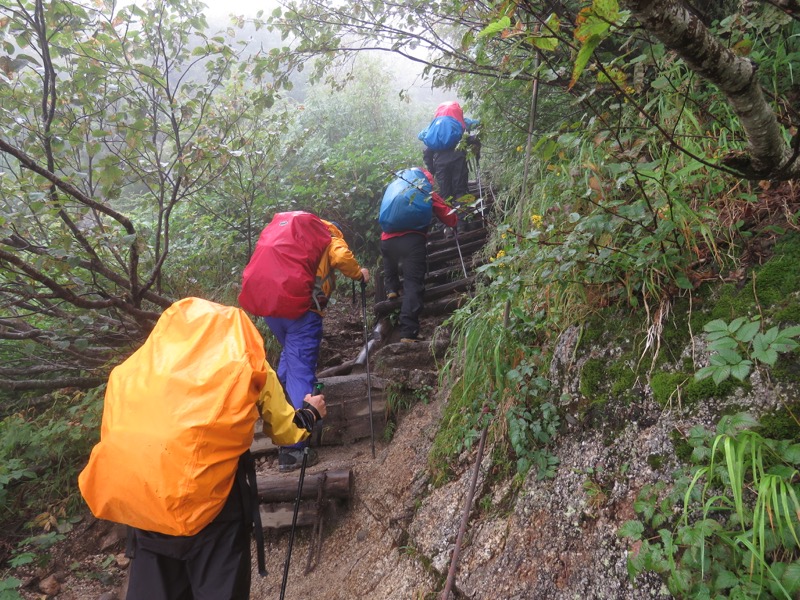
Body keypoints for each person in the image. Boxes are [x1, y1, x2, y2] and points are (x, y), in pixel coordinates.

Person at [264, 218, 369, 472]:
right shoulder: (329, 238)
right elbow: (342, 257)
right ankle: (293, 450)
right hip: (303, 312)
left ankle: (282, 423)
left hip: (274, 309)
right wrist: (359, 273)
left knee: (288, 368)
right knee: (300, 374)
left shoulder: (291, 240)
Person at [380, 169, 457, 342]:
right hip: (412, 241)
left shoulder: (394, 187)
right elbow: (449, 216)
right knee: (412, 284)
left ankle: (391, 288)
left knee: (389, 258)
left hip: (387, 240)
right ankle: (408, 332)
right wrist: (454, 221)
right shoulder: (424, 189)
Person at [419, 101, 479, 207]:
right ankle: (463, 220)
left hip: (440, 162)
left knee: (445, 193)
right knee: (461, 190)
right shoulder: (459, 121)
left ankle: (448, 221)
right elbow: (475, 125)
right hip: (458, 157)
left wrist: (431, 169)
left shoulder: (433, 126)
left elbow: (423, 141)